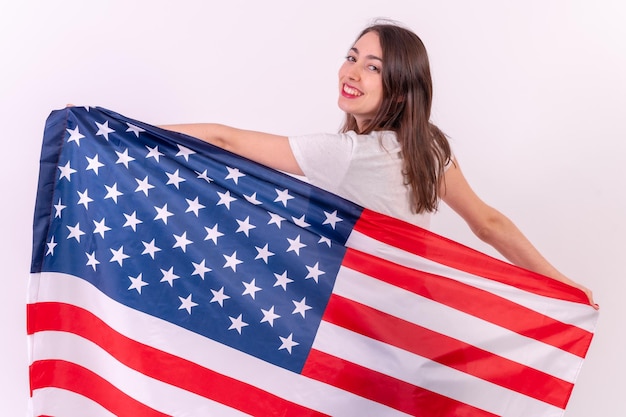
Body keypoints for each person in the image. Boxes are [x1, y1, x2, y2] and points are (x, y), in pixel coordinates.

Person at [161, 21, 597, 308]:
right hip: (409, 312)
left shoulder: (347, 152)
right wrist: (562, 284)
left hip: (352, 318)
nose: (352, 73)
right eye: (351, 58)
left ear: (401, 91)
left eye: (373, 68)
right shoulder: (429, 147)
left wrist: (124, 130)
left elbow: (224, 139)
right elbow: (486, 222)